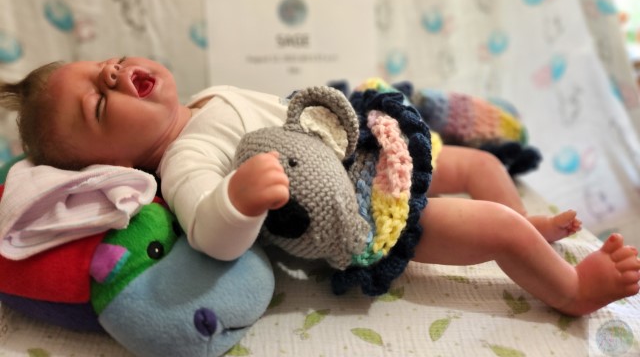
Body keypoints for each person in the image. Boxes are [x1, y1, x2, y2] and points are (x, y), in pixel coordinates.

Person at [0, 56, 639, 317]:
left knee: (480, 168)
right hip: (359, 212)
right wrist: (239, 200)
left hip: (366, 154)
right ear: (117, 163)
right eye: (99, 105)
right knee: (492, 230)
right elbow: (210, 232)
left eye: (105, 66)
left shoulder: (203, 99)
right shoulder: (184, 159)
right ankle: (572, 290)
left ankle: (534, 235)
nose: (114, 77)